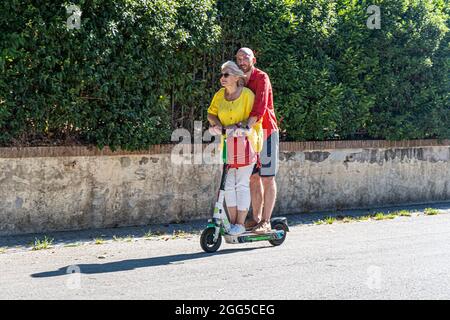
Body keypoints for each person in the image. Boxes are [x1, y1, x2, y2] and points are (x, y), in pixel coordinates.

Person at [207, 61, 263, 236]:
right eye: (222, 74)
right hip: (227, 145)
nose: (222, 78)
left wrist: (238, 127)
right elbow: (211, 113)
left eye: (226, 74)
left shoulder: (247, 95)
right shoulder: (219, 95)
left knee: (241, 184)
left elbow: (255, 117)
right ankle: (233, 224)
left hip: (246, 143)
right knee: (228, 184)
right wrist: (216, 126)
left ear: (236, 77)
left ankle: (240, 223)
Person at [235, 47, 279, 234]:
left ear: (254, 59)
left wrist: (247, 126)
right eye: (239, 58)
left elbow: (260, 107)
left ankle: (267, 221)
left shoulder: (261, 78)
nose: (242, 61)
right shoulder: (237, 78)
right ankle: (256, 219)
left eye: (246, 58)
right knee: (253, 177)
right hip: (248, 134)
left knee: (267, 177)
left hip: (266, 131)